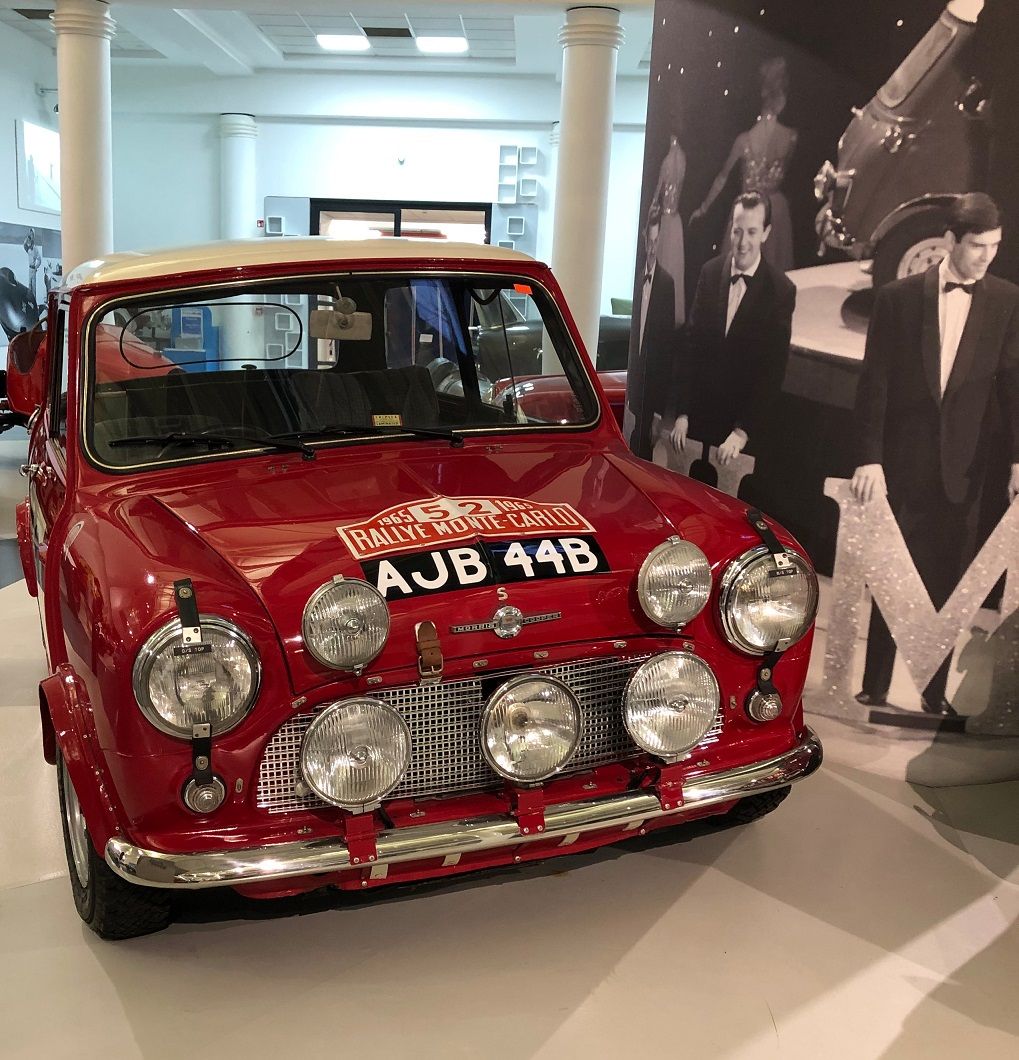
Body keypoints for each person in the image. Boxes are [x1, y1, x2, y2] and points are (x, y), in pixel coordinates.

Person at [851, 193, 1019, 715]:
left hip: (965, 469)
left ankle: (933, 691)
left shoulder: (1006, 300)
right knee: (889, 575)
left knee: (949, 579)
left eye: (994, 246)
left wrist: (1017, 460)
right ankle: (874, 683)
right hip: (902, 464)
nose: (987, 256)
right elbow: (874, 383)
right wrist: (869, 456)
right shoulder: (898, 298)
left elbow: (1011, 388)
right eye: (977, 246)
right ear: (950, 241)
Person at [667, 190, 796, 470]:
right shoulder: (710, 273)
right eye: (737, 231)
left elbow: (772, 372)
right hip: (696, 424)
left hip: (738, 437)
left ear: (766, 233)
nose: (742, 242)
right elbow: (690, 347)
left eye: (751, 232)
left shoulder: (781, 291)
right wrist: (682, 413)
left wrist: (742, 431)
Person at [691, 57, 796, 274]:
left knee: (742, 275)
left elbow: (722, 177)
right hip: (776, 209)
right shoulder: (791, 138)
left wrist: (703, 208)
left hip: (751, 209)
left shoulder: (744, 140)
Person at [626, 214, 678, 460]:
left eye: (659, 241)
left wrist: (659, 409)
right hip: (634, 383)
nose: (654, 247)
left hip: (652, 384)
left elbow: (666, 347)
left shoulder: (667, 284)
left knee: (645, 449)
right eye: (651, 240)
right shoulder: (636, 279)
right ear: (646, 240)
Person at [646, 132, 687, 328]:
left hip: (665, 219)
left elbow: (658, 191)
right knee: (673, 266)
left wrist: (650, 215)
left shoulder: (667, 161)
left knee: (663, 263)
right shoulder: (683, 159)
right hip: (675, 219)